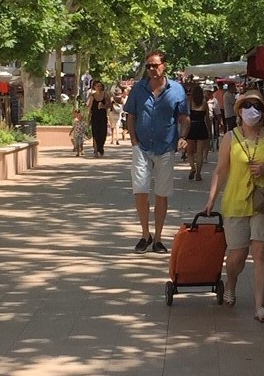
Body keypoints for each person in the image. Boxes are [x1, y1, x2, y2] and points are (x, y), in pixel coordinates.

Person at [205, 91, 264, 323]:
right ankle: (231, 283)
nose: (253, 111)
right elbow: (221, 170)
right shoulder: (230, 137)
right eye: (248, 106)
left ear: (263, 112)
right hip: (236, 200)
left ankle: (260, 306)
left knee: (261, 252)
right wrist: (211, 199)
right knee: (237, 255)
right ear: (239, 110)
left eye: (258, 107)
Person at [124, 51, 189, 253]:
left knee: (162, 193)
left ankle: (158, 238)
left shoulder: (177, 90)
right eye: (149, 65)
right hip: (142, 147)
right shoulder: (138, 89)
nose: (152, 69)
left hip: (166, 147)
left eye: (155, 65)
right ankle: (145, 235)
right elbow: (131, 115)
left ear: (164, 65)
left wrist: (183, 136)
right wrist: (134, 141)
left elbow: (184, 117)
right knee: (141, 191)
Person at [185, 82, 212, 181]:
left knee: (190, 151)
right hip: (201, 126)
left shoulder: (190, 103)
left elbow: (186, 117)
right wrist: (209, 131)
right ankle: (198, 174)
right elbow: (208, 119)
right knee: (200, 152)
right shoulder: (205, 103)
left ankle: (192, 167)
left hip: (192, 126)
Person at [87, 81, 110, 158]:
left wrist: (103, 106)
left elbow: (109, 105)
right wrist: (88, 118)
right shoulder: (92, 96)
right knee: (95, 134)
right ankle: (96, 150)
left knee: (103, 134)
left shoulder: (105, 95)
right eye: (97, 86)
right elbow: (89, 108)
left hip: (103, 117)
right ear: (94, 87)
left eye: (100, 86)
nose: (99, 88)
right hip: (95, 117)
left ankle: (101, 147)